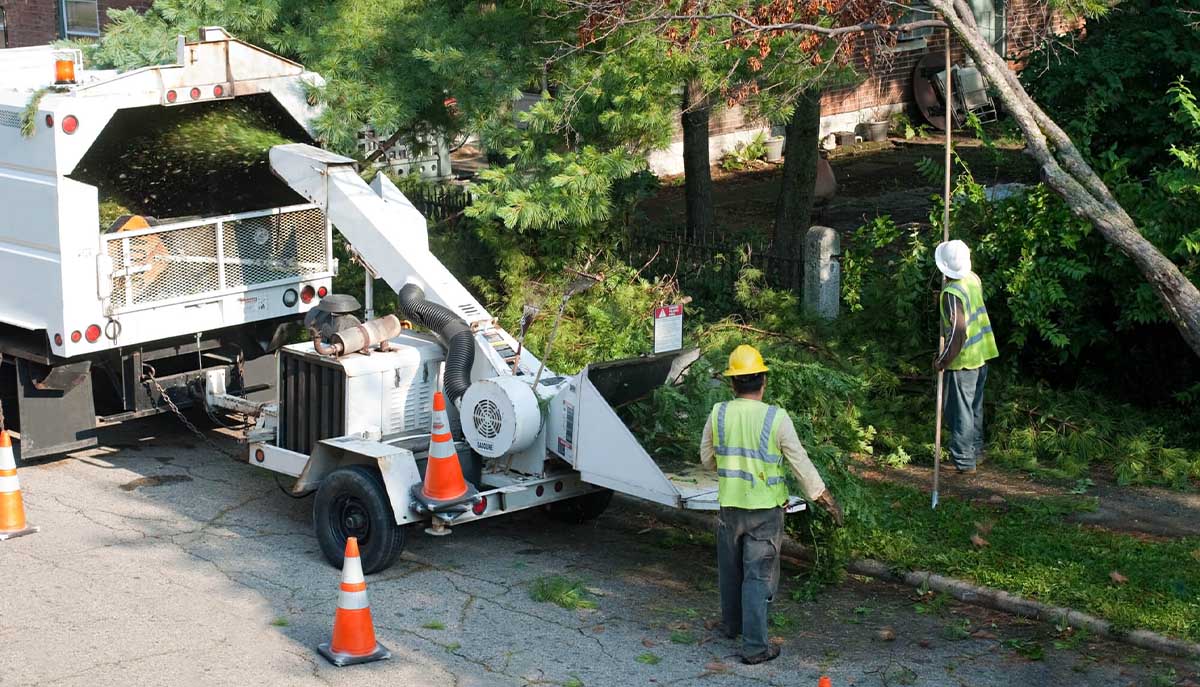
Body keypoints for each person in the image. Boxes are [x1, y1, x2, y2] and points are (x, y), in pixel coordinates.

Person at [700, 344, 843, 665]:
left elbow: (706, 458)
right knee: (758, 576)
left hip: (730, 509)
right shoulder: (777, 419)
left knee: (730, 570)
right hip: (765, 513)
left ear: (732, 383)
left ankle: (731, 627)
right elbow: (800, 464)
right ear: (763, 381)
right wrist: (825, 499)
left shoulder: (718, 413)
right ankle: (754, 647)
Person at [933, 240, 999, 475]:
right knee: (974, 408)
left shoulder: (952, 293)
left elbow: (958, 333)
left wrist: (943, 361)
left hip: (963, 361)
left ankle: (964, 460)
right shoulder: (973, 279)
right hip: (982, 355)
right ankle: (976, 451)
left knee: (960, 412)